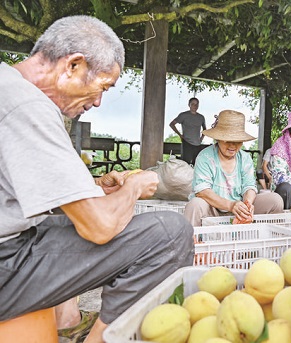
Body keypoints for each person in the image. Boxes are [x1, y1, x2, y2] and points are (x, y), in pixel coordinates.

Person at [0, 15, 194, 343]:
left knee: (66, 223)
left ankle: (67, 323)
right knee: (170, 234)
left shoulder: (7, 84)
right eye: (102, 87)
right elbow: (99, 227)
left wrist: (91, 190)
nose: (99, 101)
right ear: (73, 65)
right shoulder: (27, 106)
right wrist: (133, 186)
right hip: (6, 265)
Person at [183, 110, 284, 226]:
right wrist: (230, 205)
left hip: (238, 208)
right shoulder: (205, 157)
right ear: (218, 139)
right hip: (212, 209)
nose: (232, 146)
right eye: (227, 141)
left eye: (237, 141)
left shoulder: (245, 158)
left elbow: (249, 186)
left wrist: (247, 204)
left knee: (275, 201)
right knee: (195, 205)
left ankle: (265, 241)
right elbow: (202, 192)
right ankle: (192, 241)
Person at [169, 97, 207, 165]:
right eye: (193, 104)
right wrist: (180, 135)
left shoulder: (201, 117)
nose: (195, 106)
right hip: (187, 142)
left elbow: (205, 129)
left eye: (197, 104)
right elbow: (172, 124)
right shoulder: (183, 115)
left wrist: (201, 138)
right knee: (185, 163)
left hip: (198, 144)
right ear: (189, 105)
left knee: (196, 164)